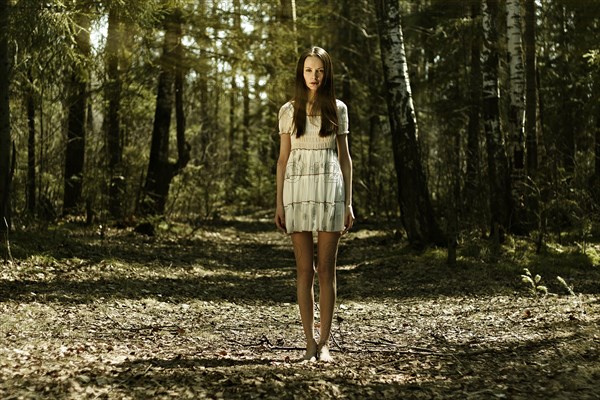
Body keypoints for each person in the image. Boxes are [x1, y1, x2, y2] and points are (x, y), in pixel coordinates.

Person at [275, 47, 354, 362]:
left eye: (319, 70)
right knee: (304, 270)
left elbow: (345, 159)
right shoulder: (288, 110)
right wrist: (279, 203)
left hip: (329, 189)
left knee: (326, 270)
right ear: (300, 72)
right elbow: (282, 160)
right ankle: (308, 342)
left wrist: (348, 203)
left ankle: (324, 343)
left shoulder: (338, 109)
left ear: (327, 73)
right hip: (296, 191)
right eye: (308, 70)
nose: (314, 76)